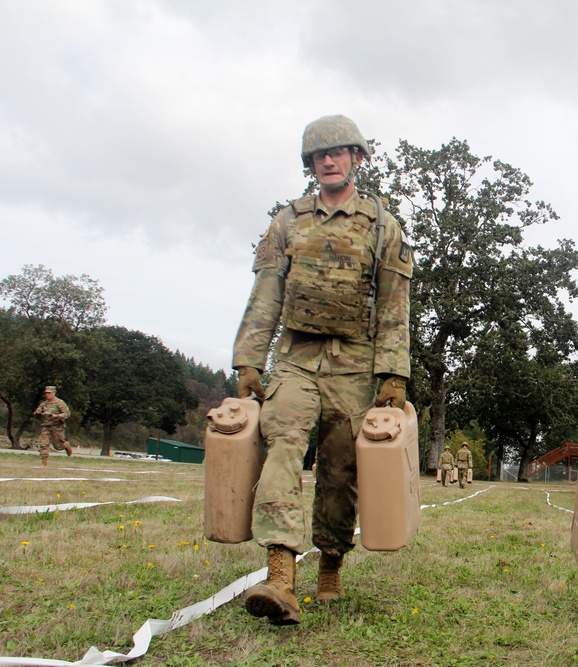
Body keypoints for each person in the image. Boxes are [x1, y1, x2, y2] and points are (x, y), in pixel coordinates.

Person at [232, 114, 412, 625]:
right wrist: (248, 359)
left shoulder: (383, 226)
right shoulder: (287, 221)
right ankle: (280, 576)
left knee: (339, 471)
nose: (328, 161)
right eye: (318, 155)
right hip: (295, 359)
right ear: (310, 164)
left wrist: (393, 374)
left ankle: (330, 562)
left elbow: (394, 305)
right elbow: (266, 293)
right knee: (283, 446)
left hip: (354, 365)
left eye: (337, 152)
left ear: (357, 158)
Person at [34, 386, 72, 465]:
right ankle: (44, 461)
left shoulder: (59, 403)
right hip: (46, 426)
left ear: (54, 393)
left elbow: (67, 413)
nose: (47, 395)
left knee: (58, 446)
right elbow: (38, 411)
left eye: (49, 393)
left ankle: (65, 446)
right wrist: (37, 411)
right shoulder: (44, 404)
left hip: (57, 426)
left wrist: (57, 416)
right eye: (46, 393)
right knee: (43, 443)